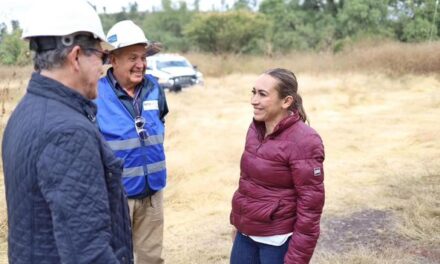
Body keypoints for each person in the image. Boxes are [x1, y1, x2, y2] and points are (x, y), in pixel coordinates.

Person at [1, 1, 133, 263]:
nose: (103, 67)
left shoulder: (25, 112)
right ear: (75, 57)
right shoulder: (68, 132)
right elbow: (89, 253)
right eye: (101, 56)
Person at [229, 68, 325, 264]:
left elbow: (310, 209)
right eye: (253, 92)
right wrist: (239, 224)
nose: (254, 100)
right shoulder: (255, 129)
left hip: (277, 242)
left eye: (262, 94)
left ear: (286, 101)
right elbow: (248, 183)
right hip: (246, 235)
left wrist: (296, 260)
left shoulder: (305, 140)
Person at [94, 20, 168, 264]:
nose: (141, 64)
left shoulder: (155, 88)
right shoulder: (95, 93)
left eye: (143, 57)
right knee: (116, 258)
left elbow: (160, 122)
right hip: (115, 198)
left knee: (151, 258)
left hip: (153, 193)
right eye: (132, 58)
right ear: (113, 59)